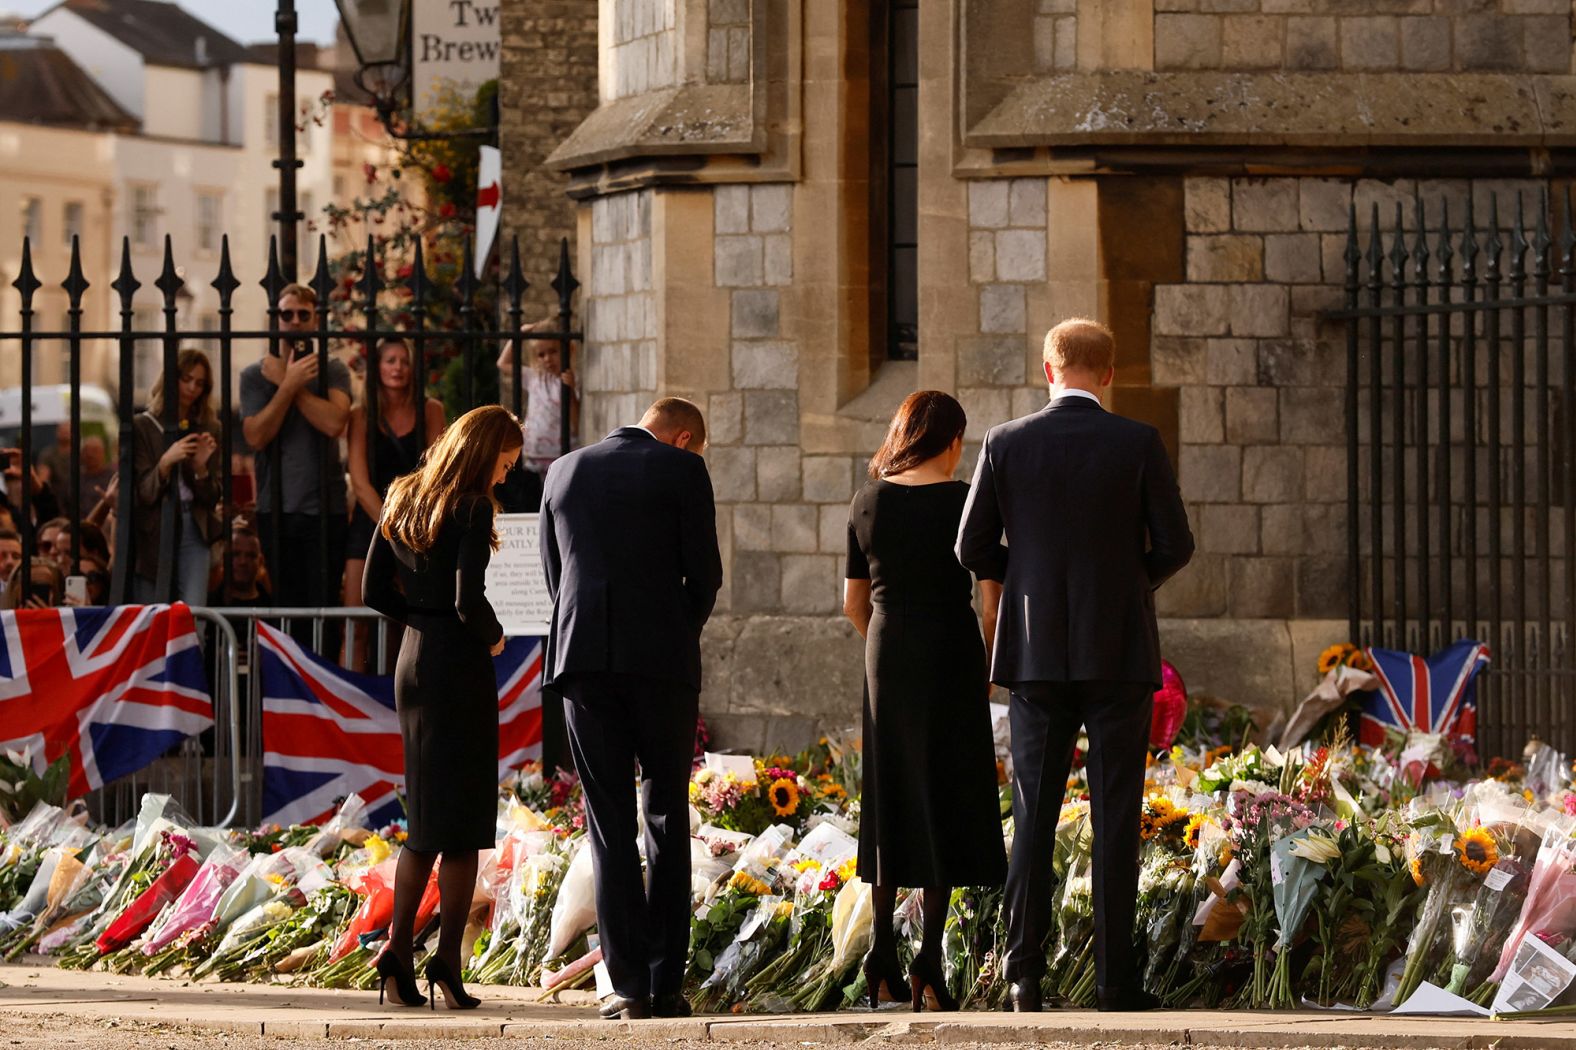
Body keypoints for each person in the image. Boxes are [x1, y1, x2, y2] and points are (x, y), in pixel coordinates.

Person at [956, 318, 1194, 1013]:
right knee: (1116, 813)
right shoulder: (1137, 442)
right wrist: (1130, 585)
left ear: (1047, 369)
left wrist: (1022, 577)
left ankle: (1024, 976)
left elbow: (971, 547)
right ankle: (1116, 982)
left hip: (1034, 655)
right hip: (1118, 651)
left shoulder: (1006, 442)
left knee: (1033, 813)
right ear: (1110, 373)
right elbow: (1175, 543)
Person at [539, 398, 723, 1021]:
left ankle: (625, 985)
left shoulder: (563, 470)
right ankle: (664, 979)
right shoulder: (682, 470)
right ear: (683, 437)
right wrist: (675, 628)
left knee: (608, 819)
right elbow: (705, 575)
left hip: (582, 660)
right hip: (662, 665)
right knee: (667, 813)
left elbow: (555, 576)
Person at [843, 390, 1006, 1012]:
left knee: (891, 797)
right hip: (951, 649)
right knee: (947, 794)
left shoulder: (867, 500)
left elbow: (854, 605)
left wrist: (889, 649)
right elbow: (990, 598)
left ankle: (881, 958)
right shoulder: (966, 501)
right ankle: (929, 964)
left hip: (887, 652)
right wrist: (989, 663)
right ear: (953, 441)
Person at [361, 405, 522, 1011]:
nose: (505, 477)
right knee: (465, 825)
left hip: (413, 661)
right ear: (486, 454)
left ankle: (398, 952)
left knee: (426, 817)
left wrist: (421, 625)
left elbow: (373, 592)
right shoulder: (473, 507)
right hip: (457, 666)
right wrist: (493, 635)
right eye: (505, 463)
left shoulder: (402, 494)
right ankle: (446, 964)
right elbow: (467, 597)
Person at [240, 283, 351, 630]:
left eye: (304, 315)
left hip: (325, 508)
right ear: (275, 319)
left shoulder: (332, 369)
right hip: (276, 507)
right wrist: (287, 384)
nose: (295, 322)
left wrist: (291, 384)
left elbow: (334, 423)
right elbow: (256, 436)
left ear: (316, 319)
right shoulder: (255, 374)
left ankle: (319, 682)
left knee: (325, 610)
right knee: (284, 610)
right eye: (286, 314)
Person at [344, 338, 446, 665]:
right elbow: (359, 481)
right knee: (355, 620)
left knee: (404, 621)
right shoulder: (360, 414)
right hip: (371, 520)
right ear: (377, 367)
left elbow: (435, 471)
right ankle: (351, 701)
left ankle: (396, 698)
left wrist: (409, 527)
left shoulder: (431, 409)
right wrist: (389, 526)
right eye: (390, 360)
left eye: (404, 360)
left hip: (417, 523)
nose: (398, 368)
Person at [133, 348, 223, 606]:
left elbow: (212, 496)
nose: (192, 388)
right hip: (156, 526)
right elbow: (142, 492)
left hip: (194, 523)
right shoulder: (144, 426)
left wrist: (201, 469)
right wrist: (165, 463)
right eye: (186, 379)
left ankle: (192, 648)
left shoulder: (210, 426)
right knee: (154, 613)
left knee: (194, 612)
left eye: (200, 383)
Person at [498, 321, 579, 478]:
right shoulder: (535, 377)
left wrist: (570, 391)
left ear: (567, 351)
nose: (548, 359)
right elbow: (503, 364)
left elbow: (576, 423)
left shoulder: (573, 381)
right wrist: (519, 334)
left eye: (553, 351)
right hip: (534, 455)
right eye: (541, 355)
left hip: (562, 455)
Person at [208, 525, 271, 606]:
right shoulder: (209, 606)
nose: (243, 562)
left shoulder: (272, 607)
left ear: (261, 561)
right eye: (235, 554)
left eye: (250, 555)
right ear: (223, 559)